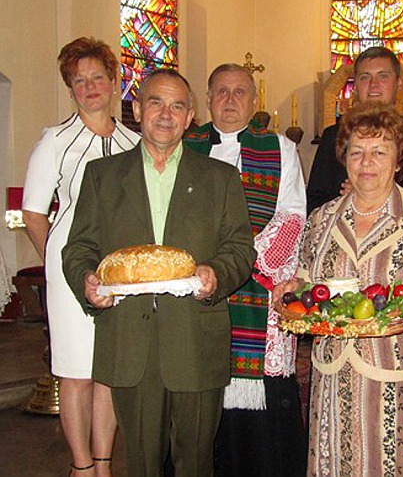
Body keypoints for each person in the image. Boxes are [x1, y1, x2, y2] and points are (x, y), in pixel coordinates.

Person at [62, 69, 257, 477]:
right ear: (136, 110)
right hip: (129, 341)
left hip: (195, 339)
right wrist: (88, 282)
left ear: (190, 117)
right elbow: (78, 248)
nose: (166, 114)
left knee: (196, 463)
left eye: (177, 106)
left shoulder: (220, 178)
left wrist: (215, 274)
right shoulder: (102, 175)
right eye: (156, 102)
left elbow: (240, 249)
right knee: (142, 464)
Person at [274, 101, 403, 476]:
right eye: (356, 152)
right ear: (344, 158)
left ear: (398, 160)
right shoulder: (322, 219)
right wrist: (292, 288)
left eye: (379, 151)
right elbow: (306, 283)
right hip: (336, 378)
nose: (366, 162)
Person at [21, 37, 141, 477]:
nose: (90, 87)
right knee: (76, 371)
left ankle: (104, 464)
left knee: (108, 370)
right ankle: (81, 466)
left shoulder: (135, 141)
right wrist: (61, 266)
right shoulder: (55, 141)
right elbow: (33, 212)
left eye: (97, 77)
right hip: (72, 269)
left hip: (123, 272)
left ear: (114, 81)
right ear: (70, 89)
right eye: (79, 81)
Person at [184, 63, 307, 476]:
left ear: (255, 101)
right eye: (221, 91)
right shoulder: (186, 146)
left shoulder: (279, 148)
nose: (230, 99)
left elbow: (292, 215)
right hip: (195, 287)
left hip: (259, 284)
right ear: (207, 100)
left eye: (240, 92)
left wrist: (239, 261)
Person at [306, 46, 403, 215]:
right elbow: (314, 204)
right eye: (364, 77)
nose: (373, 85)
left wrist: (380, 195)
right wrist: (348, 199)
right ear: (355, 86)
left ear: (398, 83)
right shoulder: (333, 136)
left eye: (383, 76)